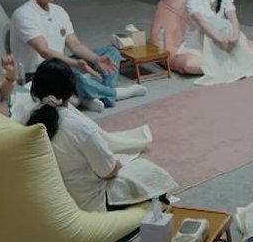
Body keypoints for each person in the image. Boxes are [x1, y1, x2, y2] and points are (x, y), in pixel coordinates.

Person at [23, 59, 177, 212]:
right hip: (87, 201)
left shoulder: (27, 117)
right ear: (71, 89)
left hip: (51, 199)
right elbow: (108, 172)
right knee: (151, 174)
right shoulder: (80, 127)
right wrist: (117, 165)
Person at [9, 0, 146, 112]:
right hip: (38, 73)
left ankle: (91, 96)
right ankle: (113, 94)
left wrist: (96, 59)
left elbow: (74, 44)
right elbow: (45, 52)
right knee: (71, 73)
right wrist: (74, 64)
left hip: (61, 63)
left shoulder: (59, 11)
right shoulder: (24, 14)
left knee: (111, 53)